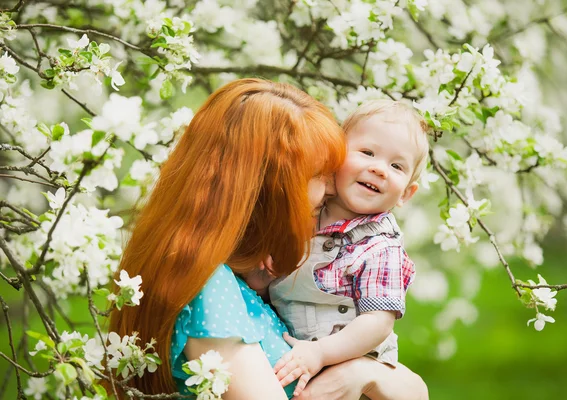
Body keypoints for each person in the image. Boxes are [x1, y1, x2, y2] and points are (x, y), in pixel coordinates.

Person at [109, 80, 428, 399]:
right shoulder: (208, 288)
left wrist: (364, 372)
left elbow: (415, 389)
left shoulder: (246, 276)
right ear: (270, 189)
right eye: (318, 174)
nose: (332, 189)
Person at [268, 100, 430, 396]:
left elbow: (376, 323)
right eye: (367, 152)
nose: (379, 169)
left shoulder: (381, 247)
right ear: (337, 156)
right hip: (293, 357)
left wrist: (320, 354)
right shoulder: (306, 212)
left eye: (396, 166)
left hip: (350, 373)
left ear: (406, 192)